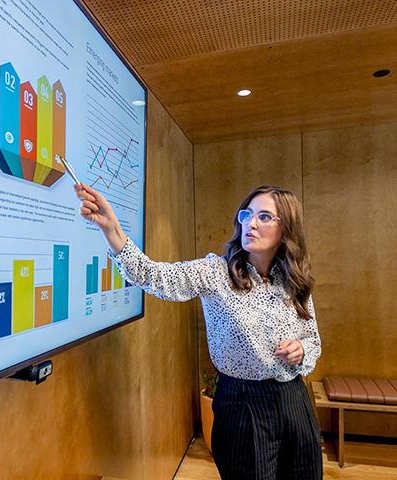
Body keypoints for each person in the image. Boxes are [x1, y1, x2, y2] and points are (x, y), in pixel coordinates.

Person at [75, 183, 322, 480]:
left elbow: (313, 340)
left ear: (286, 231)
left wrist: (302, 349)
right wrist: (111, 228)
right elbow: (152, 275)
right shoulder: (215, 272)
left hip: (294, 400)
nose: (251, 223)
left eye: (265, 217)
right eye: (247, 214)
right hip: (242, 406)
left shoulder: (295, 282)